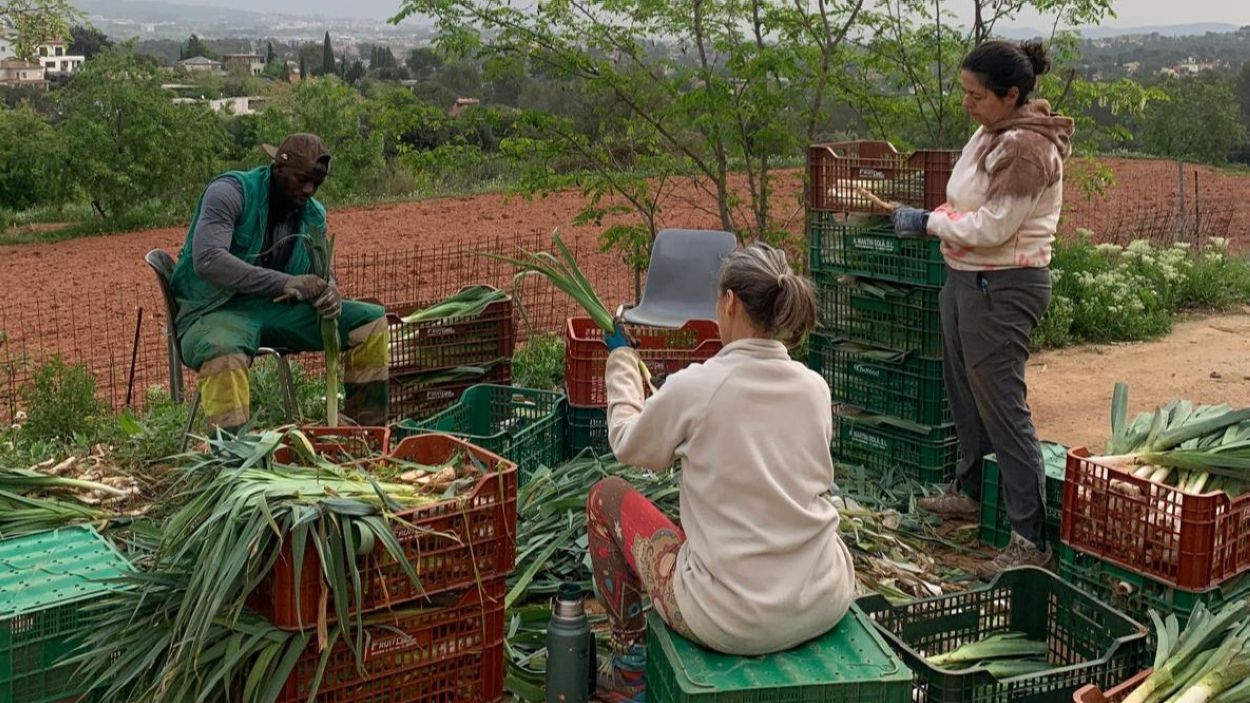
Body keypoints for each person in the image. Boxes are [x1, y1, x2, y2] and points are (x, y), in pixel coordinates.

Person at [585, 243, 856, 702]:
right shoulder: (814, 388)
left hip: (726, 617)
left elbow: (628, 443)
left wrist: (622, 363)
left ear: (729, 302)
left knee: (605, 497)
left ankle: (631, 668)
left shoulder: (698, 386)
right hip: (821, 599)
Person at [890, 40, 1074, 576]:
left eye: (976, 95)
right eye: (965, 92)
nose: (967, 103)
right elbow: (968, 203)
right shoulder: (990, 132)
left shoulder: (1026, 149)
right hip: (967, 277)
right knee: (965, 392)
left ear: (1010, 94)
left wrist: (927, 222)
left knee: (1003, 405)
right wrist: (941, 217)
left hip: (1004, 284)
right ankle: (971, 489)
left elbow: (995, 226)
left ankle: (1028, 537)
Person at [169, 133, 389, 434]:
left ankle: (369, 435)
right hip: (216, 310)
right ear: (278, 170)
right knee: (223, 352)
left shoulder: (313, 215)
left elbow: (321, 270)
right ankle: (234, 461)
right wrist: (286, 282)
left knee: (370, 323)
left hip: (276, 309)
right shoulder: (230, 192)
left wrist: (331, 291)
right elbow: (208, 260)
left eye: (316, 182)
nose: (309, 189)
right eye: (301, 180)